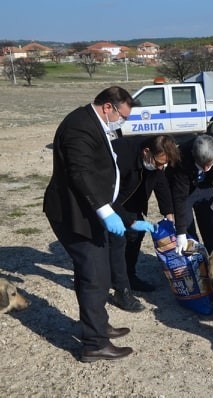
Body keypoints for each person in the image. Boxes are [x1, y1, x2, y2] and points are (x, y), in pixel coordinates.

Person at [43, 86, 152, 362]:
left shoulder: (95, 122)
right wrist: (105, 213)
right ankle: (94, 344)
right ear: (108, 107)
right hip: (74, 215)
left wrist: (127, 220)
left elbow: (103, 176)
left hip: (91, 211)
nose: (122, 122)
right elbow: (80, 174)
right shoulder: (79, 127)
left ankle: (97, 325)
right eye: (121, 116)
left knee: (96, 273)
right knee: (94, 276)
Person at [108, 135, 180, 314]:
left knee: (135, 235)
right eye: (158, 163)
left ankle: (129, 275)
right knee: (117, 241)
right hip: (110, 199)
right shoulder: (120, 155)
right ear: (146, 152)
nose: (161, 167)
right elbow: (106, 193)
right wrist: (129, 220)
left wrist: (168, 212)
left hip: (132, 198)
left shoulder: (156, 161)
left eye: (164, 164)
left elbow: (160, 183)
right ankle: (120, 289)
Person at [167, 133, 213, 255]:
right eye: (202, 165)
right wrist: (181, 233)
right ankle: (195, 259)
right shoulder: (181, 158)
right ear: (193, 155)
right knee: (187, 227)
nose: (206, 168)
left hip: (204, 185)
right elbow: (180, 199)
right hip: (183, 188)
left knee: (210, 225)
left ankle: (212, 258)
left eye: (209, 164)